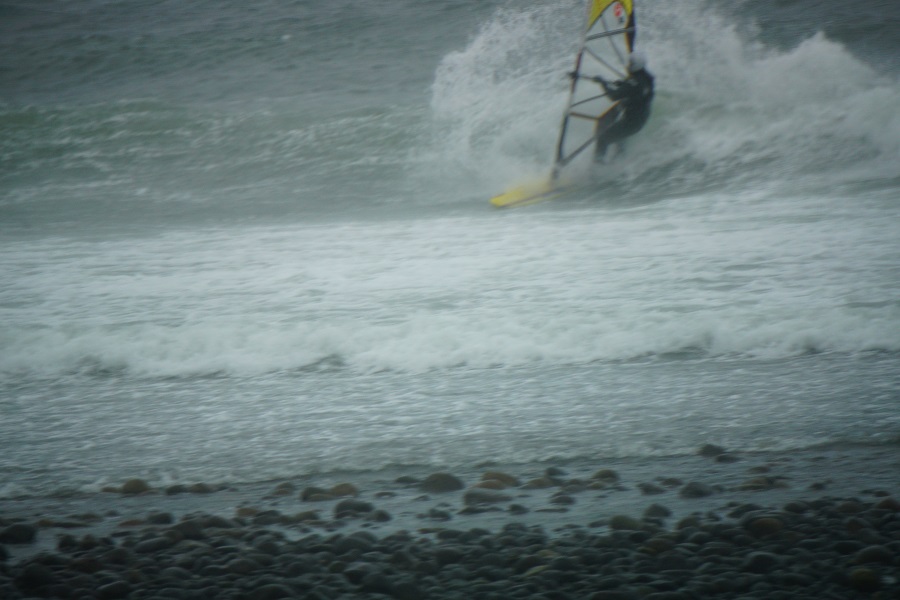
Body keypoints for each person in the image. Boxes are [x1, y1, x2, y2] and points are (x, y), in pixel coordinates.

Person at [591, 51, 654, 161]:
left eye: (630, 63)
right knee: (619, 137)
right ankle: (618, 162)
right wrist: (622, 84)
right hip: (639, 120)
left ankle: (596, 168)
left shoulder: (634, 82)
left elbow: (613, 96)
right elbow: (635, 90)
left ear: (635, 65)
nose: (628, 65)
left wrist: (603, 83)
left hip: (631, 122)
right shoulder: (646, 78)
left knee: (603, 139)